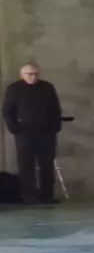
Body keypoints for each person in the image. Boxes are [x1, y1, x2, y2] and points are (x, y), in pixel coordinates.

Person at [2, 63, 62, 204]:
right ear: (22, 75)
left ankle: (47, 195)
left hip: (46, 132)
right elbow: (7, 111)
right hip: (24, 132)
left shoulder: (47, 87)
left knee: (46, 164)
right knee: (26, 165)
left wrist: (55, 127)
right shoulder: (14, 89)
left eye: (36, 74)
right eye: (29, 74)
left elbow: (55, 108)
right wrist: (15, 129)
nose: (33, 77)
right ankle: (29, 196)